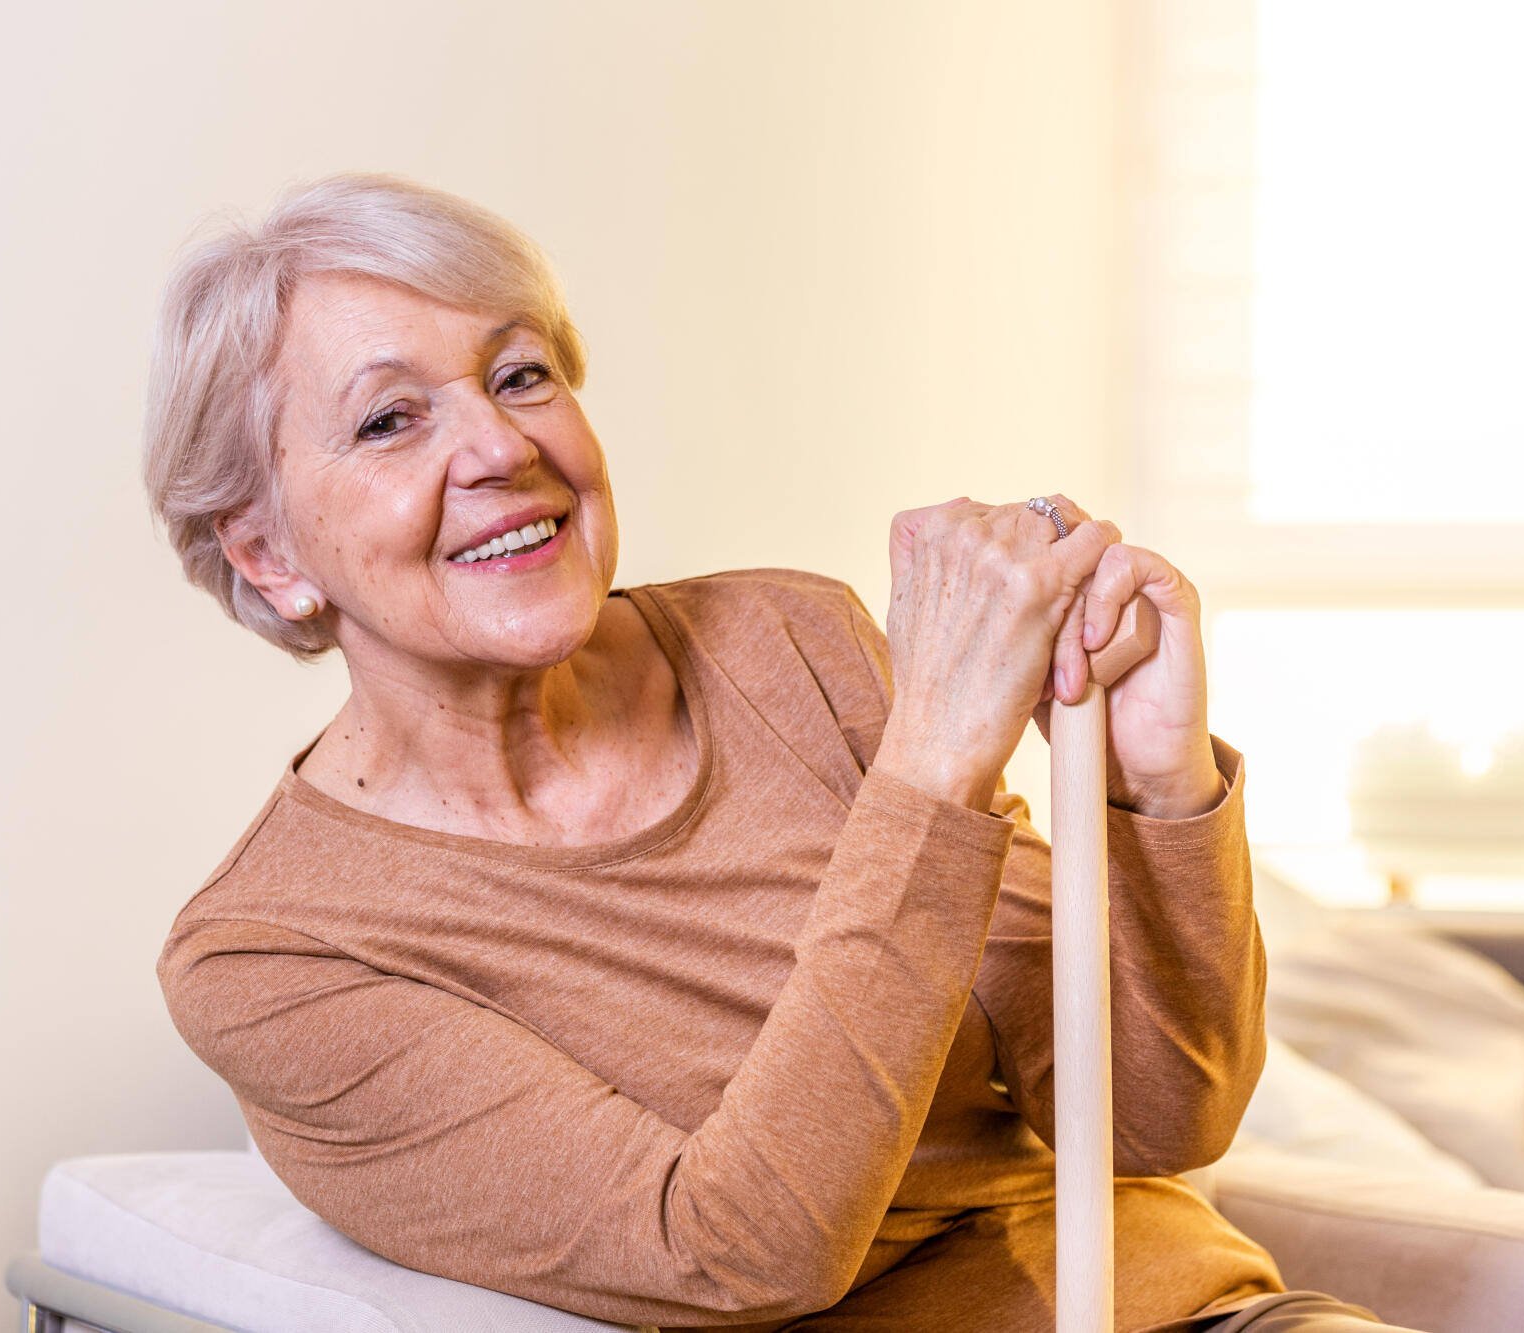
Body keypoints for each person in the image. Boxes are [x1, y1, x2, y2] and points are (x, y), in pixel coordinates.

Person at [145, 172, 1423, 1332]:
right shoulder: (275, 954)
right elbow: (737, 1254)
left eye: (521, 375)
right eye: (388, 421)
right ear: (267, 553)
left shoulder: (786, 645)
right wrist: (933, 763)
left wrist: (1150, 783)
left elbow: (1154, 1117)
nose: (500, 447)